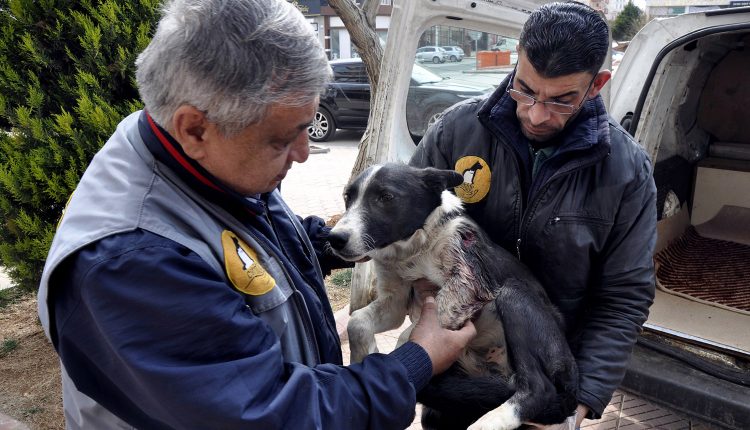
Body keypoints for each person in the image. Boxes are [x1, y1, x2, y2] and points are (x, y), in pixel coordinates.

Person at [36, 0, 475, 428]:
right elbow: (275, 412)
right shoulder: (131, 265)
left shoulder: (187, 152)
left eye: (306, 128)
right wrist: (417, 358)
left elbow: (253, 241)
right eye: (281, 140)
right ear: (194, 128)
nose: (303, 153)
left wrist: (338, 243)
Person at [410, 1, 656, 427]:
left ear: (597, 84)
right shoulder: (455, 132)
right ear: (516, 57)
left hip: (550, 383)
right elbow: (410, 232)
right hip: (458, 374)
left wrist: (577, 407)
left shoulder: (627, 172)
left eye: (562, 100)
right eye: (525, 89)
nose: (536, 114)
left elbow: (623, 298)